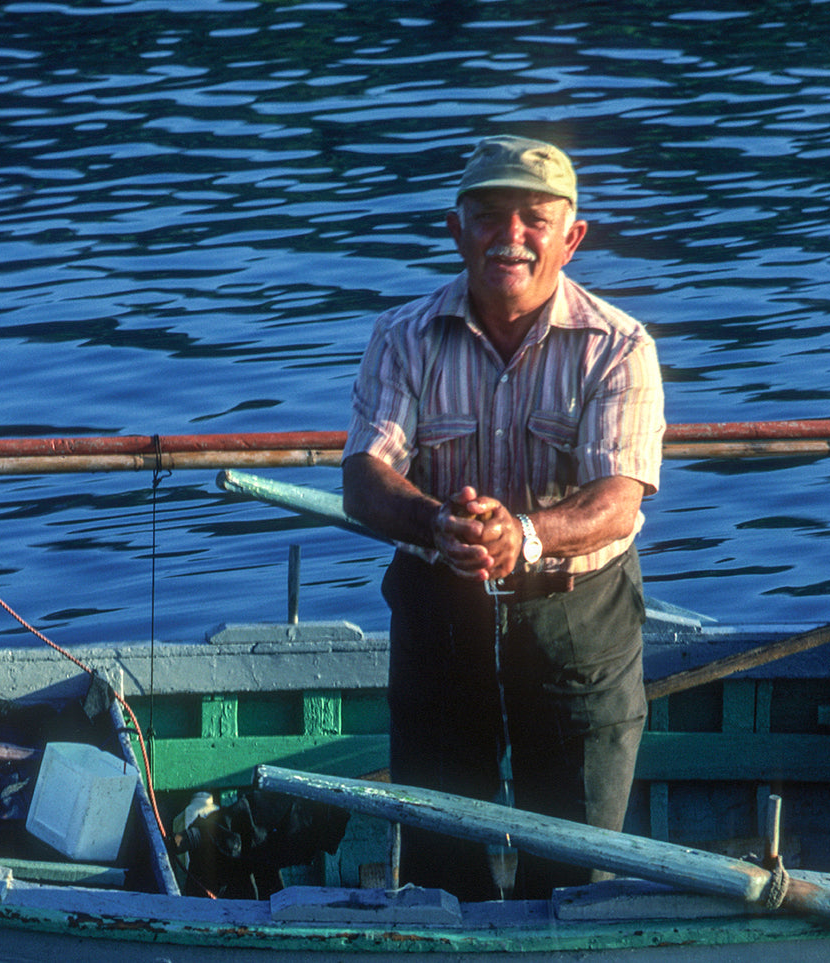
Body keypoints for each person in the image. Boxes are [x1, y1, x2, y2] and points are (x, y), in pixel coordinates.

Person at [341, 135, 665, 900]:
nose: (509, 237)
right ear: (456, 228)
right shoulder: (401, 336)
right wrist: (437, 526)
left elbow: (615, 499)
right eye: (488, 216)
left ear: (571, 237)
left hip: (578, 621)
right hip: (438, 619)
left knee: (577, 869)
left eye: (532, 218)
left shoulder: (618, 347)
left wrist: (519, 535)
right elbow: (365, 476)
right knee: (440, 862)